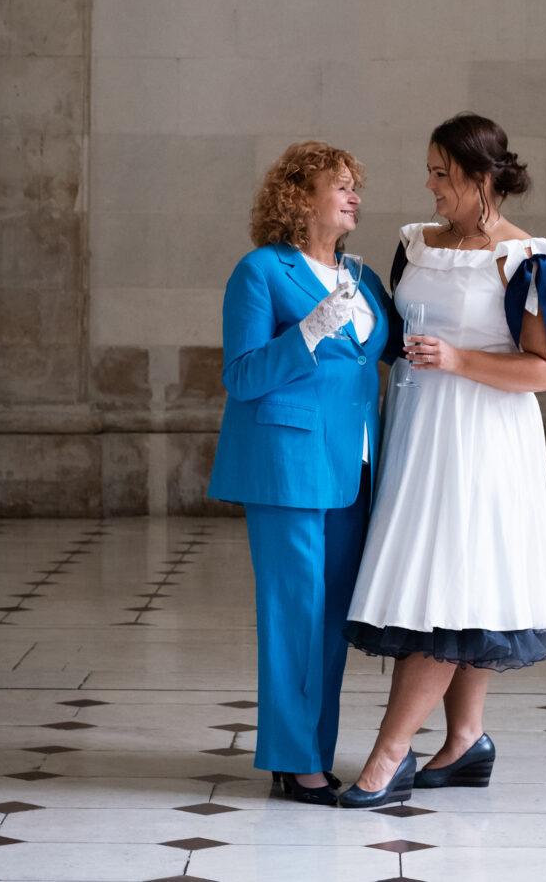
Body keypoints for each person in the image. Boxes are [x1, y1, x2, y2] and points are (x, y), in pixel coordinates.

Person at [338, 112, 546, 809]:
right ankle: (466, 737)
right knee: (458, 588)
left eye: (442, 173)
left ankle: (389, 756)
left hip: (483, 440)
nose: (430, 184)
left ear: (480, 179)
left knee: (444, 589)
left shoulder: (524, 259)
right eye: (431, 171)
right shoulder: (415, 245)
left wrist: (459, 360)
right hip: (416, 430)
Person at [208, 141, 396, 806]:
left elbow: (394, 350)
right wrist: (310, 330)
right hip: (287, 465)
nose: (354, 197)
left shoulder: (366, 277)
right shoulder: (260, 271)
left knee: (333, 617)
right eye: (339, 185)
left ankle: (313, 750)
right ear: (299, 196)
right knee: (294, 613)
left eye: (355, 186)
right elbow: (242, 375)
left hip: (355, 466)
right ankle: (293, 761)